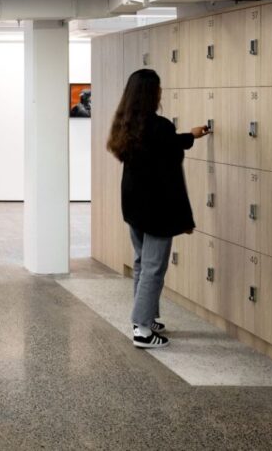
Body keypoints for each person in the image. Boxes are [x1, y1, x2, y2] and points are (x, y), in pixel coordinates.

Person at [107, 69, 209, 349]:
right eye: (159, 88)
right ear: (151, 93)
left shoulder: (126, 125)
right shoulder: (159, 126)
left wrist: (190, 135)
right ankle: (141, 329)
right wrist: (190, 136)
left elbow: (167, 144)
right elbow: (171, 156)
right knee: (154, 267)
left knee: (142, 262)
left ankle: (147, 316)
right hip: (157, 209)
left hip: (134, 205)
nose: (162, 92)